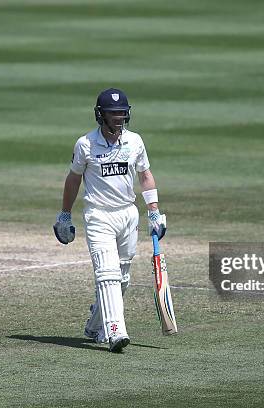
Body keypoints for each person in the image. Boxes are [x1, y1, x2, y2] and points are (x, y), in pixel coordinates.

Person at [53, 88, 167, 352]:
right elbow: (73, 179)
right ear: (100, 115)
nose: (118, 117)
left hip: (127, 214)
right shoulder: (85, 144)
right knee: (107, 274)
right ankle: (115, 330)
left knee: (123, 277)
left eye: (122, 113)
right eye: (113, 113)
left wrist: (153, 212)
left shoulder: (135, 141)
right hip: (98, 215)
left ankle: (95, 326)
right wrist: (64, 215)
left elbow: (145, 175)